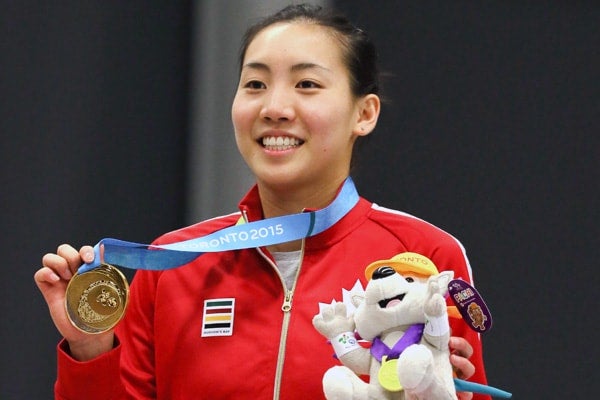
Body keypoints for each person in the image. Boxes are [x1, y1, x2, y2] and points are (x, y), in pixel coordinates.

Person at [35, 4, 489, 400]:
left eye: (306, 84)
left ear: (364, 113)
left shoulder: (425, 256)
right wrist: (89, 349)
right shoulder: (173, 264)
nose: (274, 108)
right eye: (255, 84)